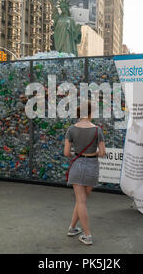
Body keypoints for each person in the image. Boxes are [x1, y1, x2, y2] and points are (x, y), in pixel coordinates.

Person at [64, 102, 106, 246]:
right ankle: (73, 228)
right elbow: (102, 153)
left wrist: (76, 154)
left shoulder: (71, 129)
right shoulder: (97, 130)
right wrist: (92, 153)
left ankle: (86, 235)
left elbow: (66, 153)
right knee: (82, 201)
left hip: (77, 165)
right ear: (89, 113)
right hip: (92, 167)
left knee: (80, 201)